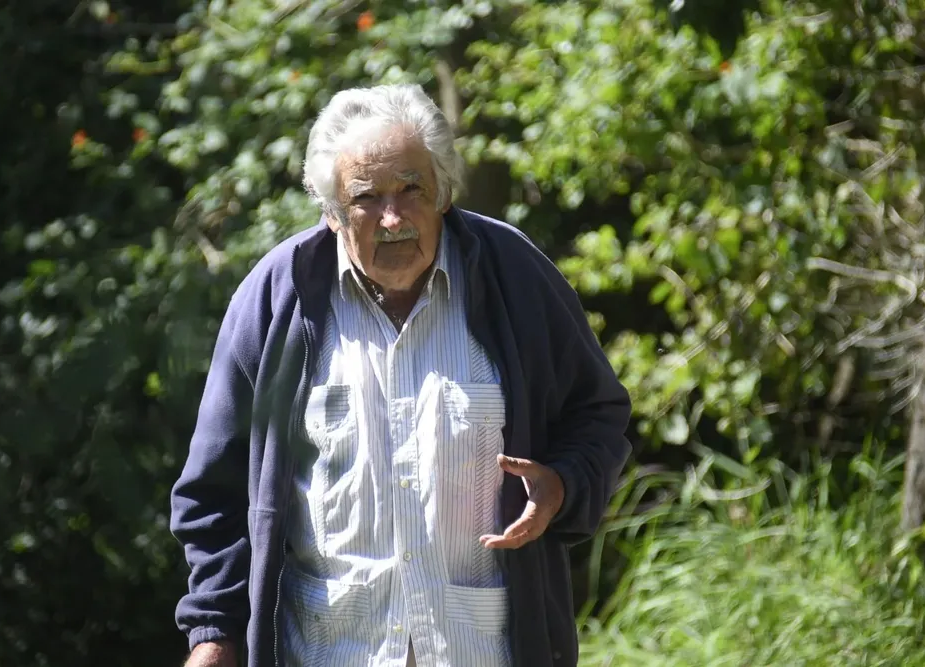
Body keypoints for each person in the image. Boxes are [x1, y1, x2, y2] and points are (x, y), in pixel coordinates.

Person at [170, 83, 632, 667]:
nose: (393, 218)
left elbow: (599, 415)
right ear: (333, 213)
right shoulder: (278, 298)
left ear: (441, 192)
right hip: (325, 651)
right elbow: (213, 491)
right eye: (367, 197)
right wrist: (214, 634)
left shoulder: (514, 276)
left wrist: (563, 484)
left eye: (412, 189)